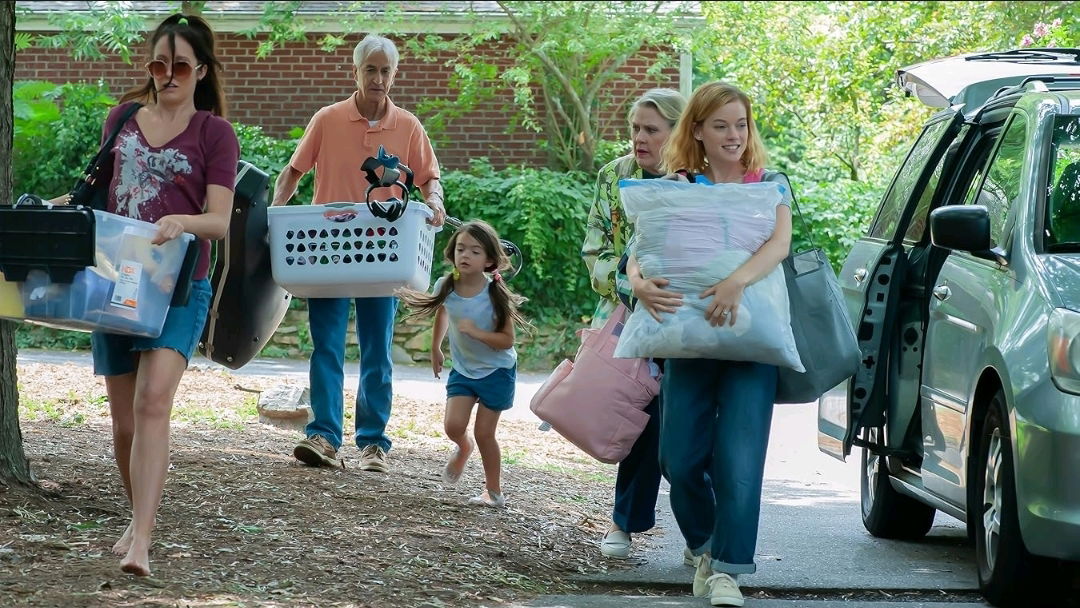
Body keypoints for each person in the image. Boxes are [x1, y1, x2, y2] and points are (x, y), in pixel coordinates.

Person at [78, 13, 240, 576]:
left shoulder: (214, 133)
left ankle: (142, 541)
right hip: (115, 280)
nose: (168, 75)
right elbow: (98, 194)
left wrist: (182, 221)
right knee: (124, 422)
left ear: (201, 71)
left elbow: (219, 220)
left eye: (180, 66)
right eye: (158, 64)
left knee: (152, 403)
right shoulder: (121, 119)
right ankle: (136, 517)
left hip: (179, 285)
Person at [627, 81, 793, 607]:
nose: (733, 134)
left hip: (751, 343)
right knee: (677, 460)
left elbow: (780, 244)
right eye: (720, 125)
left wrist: (735, 282)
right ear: (697, 130)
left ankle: (727, 571)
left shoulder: (769, 183)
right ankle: (704, 545)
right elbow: (639, 249)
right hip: (687, 339)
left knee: (740, 461)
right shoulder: (677, 186)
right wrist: (638, 283)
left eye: (741, 124)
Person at [271, 34, 446, 473]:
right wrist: (273, 216)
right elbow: (293, 171)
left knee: (377, 351)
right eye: (371, 69)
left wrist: (436, 201)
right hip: (327, 248)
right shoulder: (327, 119)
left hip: (385, 252)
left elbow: (430, 177)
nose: (378, 78)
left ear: (395, 75)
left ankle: (373, 443)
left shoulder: (408, 126)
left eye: (386, 70)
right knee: (326, 347)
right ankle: (324, 437)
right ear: (355, 72)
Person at [580, 88, 689, 561]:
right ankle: (623, 522)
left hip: (690, 321)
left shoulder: (701, 178)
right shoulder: (614, 176)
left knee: (686, 429)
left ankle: (699, 535)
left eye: (651, 130)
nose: (639, 138)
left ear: (677, 132)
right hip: (633, 322)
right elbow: (595, 252)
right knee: (640, 424)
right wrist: (634, 288)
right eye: (635, 129)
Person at [398, 220, 527, 507]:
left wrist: (476, 333)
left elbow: (507, 340)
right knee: (453, 426)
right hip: (464, 369)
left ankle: (493, 492)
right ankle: (463, 447)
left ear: (489, 260)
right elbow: (444, 311)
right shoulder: (446, 285)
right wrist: (436, 347)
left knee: (485, 433)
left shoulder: (495, 294)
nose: (465, 255)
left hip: (497, 371)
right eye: (461, 249)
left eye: (475, 251)